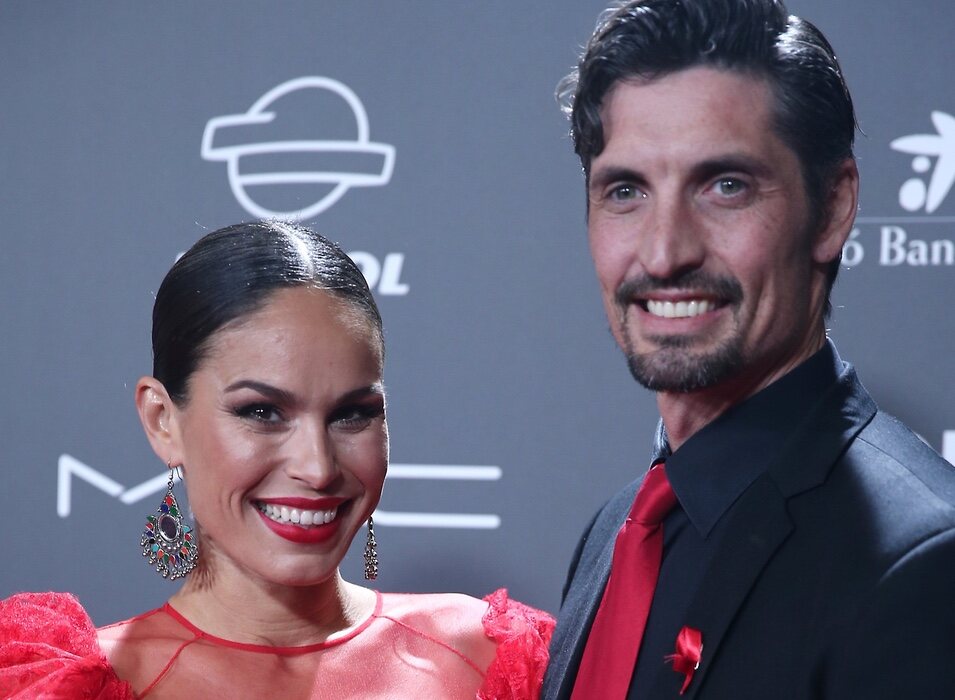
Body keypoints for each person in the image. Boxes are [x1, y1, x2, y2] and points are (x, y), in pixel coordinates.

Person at [542, 1, 955, 698]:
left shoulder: (923, 562)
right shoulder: (614, 532)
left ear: (831, 208)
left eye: (723, 185)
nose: (665, 251)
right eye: (625, 190)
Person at [0, 221, 552, 699]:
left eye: (352, 414)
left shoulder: (497, 661)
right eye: (262, 412)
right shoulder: (74, 684)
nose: (317, 467)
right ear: (163, 420)